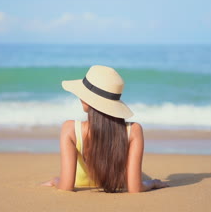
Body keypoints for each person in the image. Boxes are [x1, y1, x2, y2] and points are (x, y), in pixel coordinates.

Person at [42, 65, 168, 193]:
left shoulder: (70, 129)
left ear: (88, 99)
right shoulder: (134, 130)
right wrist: (153, 183)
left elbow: (66, 187)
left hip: (82, 184)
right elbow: (135, 187)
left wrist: (55, 180)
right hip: (119, 183)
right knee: (143, 175)